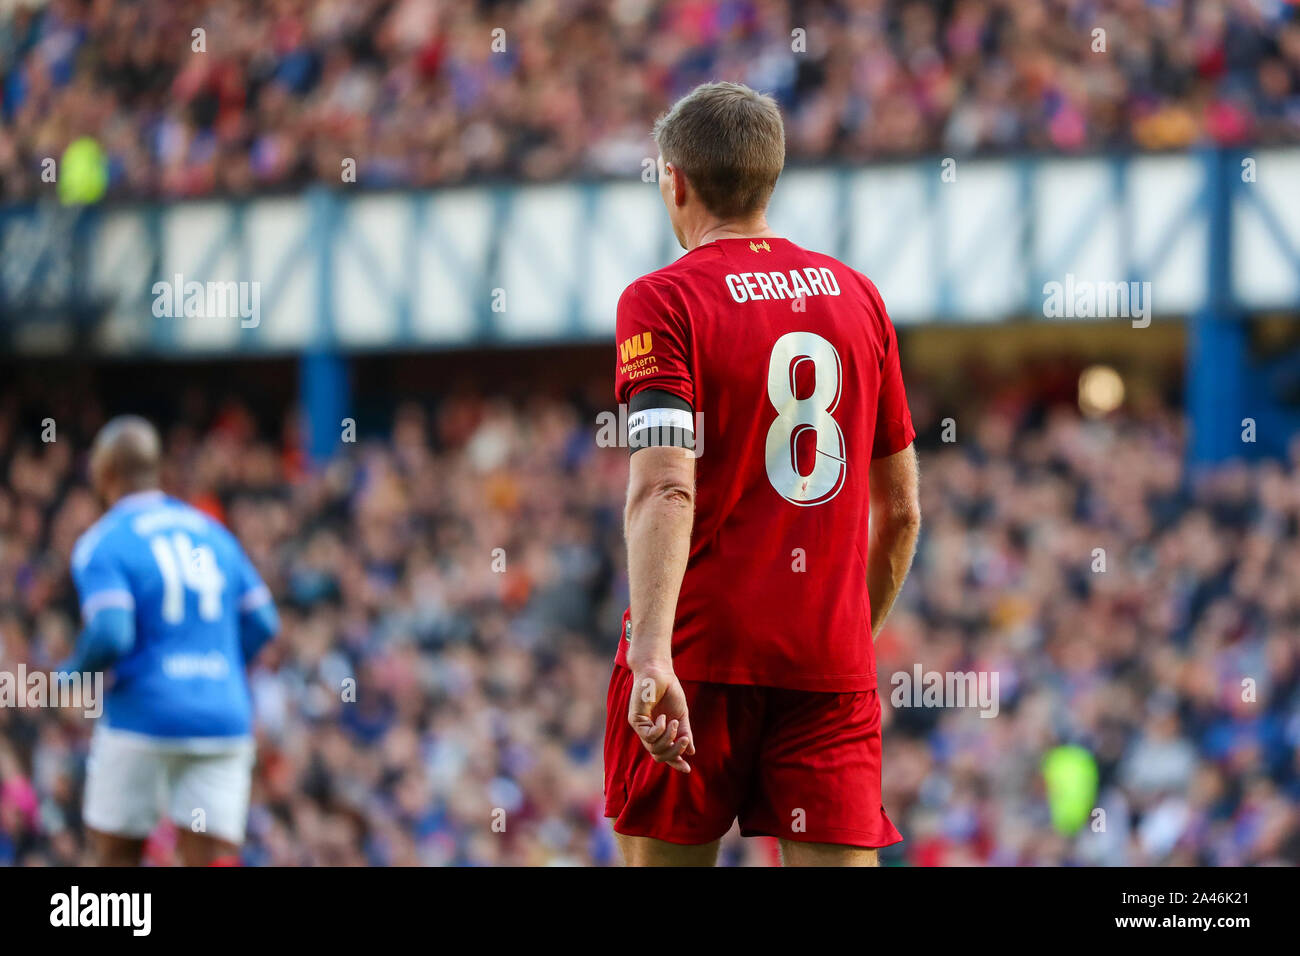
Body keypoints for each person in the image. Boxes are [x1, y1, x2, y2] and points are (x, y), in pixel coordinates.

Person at [604, 82, 922, 866]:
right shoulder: (860, 298)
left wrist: (651, 656)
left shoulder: (662, 302)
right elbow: (904, 512)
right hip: (825, 663)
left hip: (697, 653)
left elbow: (665, 485)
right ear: (770, 177)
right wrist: (848, 641)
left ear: (673, 181)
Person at [59, 415, 278, 865]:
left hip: (145, 714)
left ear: (105, 475)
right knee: (208, 855)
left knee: (116, 852)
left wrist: (70, 676)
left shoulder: (104, 542)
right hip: (222, 716)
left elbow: (110, 632)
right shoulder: (213, 533)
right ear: (156, 469)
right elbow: (264, 621)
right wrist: (217, 666)